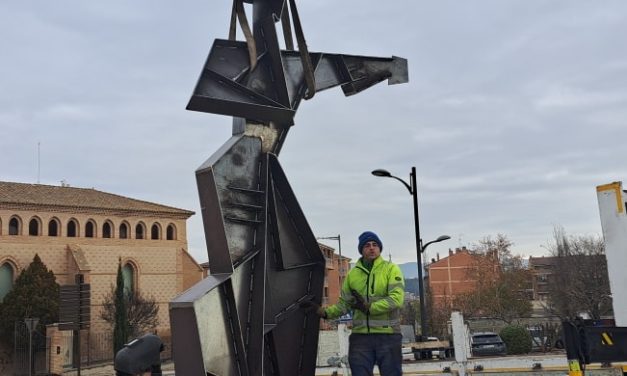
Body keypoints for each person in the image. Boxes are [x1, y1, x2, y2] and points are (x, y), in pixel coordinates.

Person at [302, 231, 405, 376]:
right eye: (367, 245)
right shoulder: (353, 274)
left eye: (375, 245)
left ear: (379, 248)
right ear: (361, 250)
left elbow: (396, 299)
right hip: (361, 337)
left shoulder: (391, 269)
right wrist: (323, 312)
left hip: (388, 335)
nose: (371, 248)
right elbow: (344, 304)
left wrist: (370, 308)